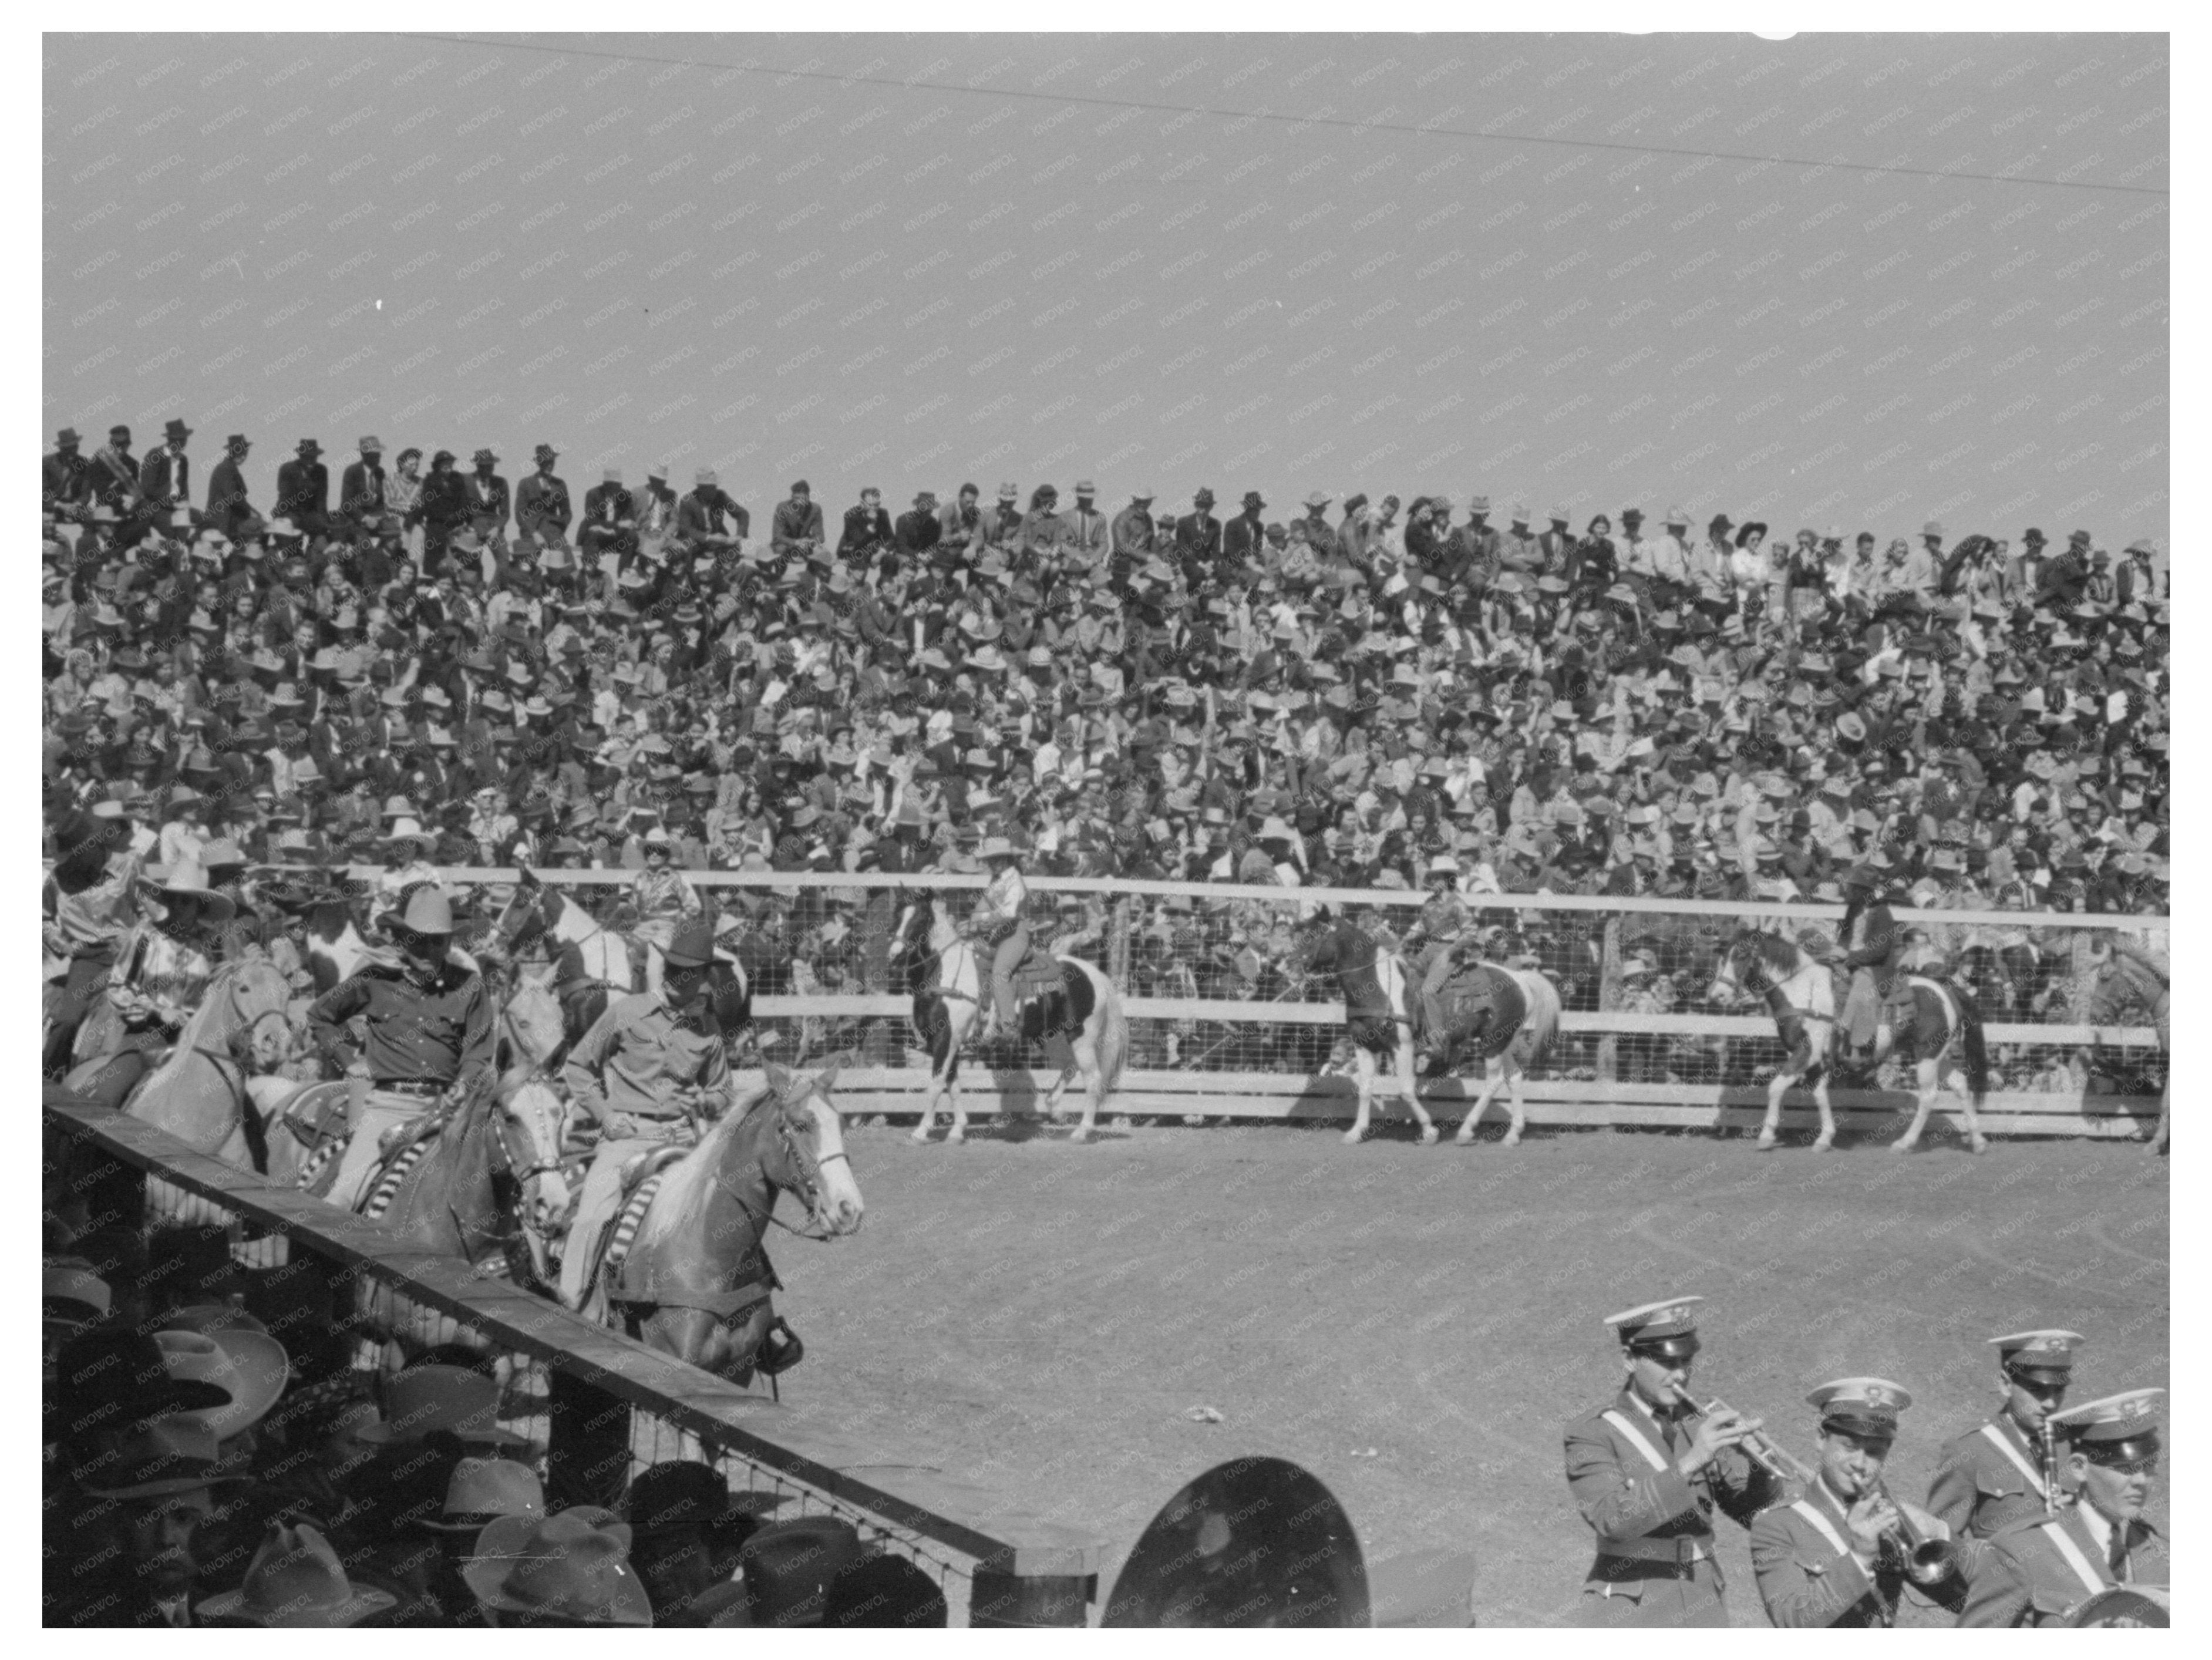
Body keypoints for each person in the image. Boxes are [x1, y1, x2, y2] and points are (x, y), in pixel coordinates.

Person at [1563, 1295, 1780, 1626]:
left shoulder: (1699, 1422)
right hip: (1632, 1603)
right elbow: (1612, 1520)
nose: (1680, 1375)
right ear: (1629, 1360)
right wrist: (1690, 1463)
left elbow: (1752, 1515)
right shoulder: (1594, 1431)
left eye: (1686, 1360)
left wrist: (1759, 1468)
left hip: (1701, 1598)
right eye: (1667, 1362)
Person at [557, 914, 736, 1310]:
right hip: (628, 1137)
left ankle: (735, 1305)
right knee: (591, 1218)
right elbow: (578, 1066)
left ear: (703, 976)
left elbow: (722, 1089)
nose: (674, 976)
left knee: (728, 1211)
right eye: (670, 966)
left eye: (686, 971)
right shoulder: (626, 1011)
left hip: (684, 1139)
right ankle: (571, 1312)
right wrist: (605, 1115)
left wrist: (708, 1102)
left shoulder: (707, 1028)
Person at [306, 884, 496, 1214]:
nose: (428, 950)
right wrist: (348, 1061)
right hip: (388, 1108)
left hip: (449, 1112)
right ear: (402, 939)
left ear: (449, 943)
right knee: (342, 1199)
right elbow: (320, 1016)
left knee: (495, 1184)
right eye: (418, 939)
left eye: (437, 941)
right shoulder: (375, 980)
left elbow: (477, 1052)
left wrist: (463, 1084)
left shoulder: (470, 986)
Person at [1749, 1377, 1969, 1627]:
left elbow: (1965, 1600)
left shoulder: (1888, 1521)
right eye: (1849, 1446)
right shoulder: (1777, 1524)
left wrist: (1940, 1533)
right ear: (1821, 1439)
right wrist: (1860, 1557)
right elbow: (1792, 1620)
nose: (1860, 1463)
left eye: (1874, 1452)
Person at [1956, 1388, 2166, 1626]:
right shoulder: (2021, 1551)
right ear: (2079, 1468)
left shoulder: (2163, 1553)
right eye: (2125, 1468)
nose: (2141, 1481)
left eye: (2149, 1466)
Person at [75, 854, 236, 1106]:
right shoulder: (146, 936)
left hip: (200, 1040)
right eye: (174, 899)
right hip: (148, 1035)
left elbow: (223, 989)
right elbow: (119, 986)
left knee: (239, 1102)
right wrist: (159, 1011)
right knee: (106, 1096)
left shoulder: (212, 944)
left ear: (200, 907)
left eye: (187, 901)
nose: (179, 906)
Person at [1927, 1329, 2085, 1539]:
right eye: (2037, 1389)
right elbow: (1940, 1541)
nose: (2050, 1403)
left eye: (2059, 1390)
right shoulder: (1969, 1450)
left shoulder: (2075, 1444)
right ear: (2006, 1385)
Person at [1399, 854, 1477, 1072]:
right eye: (1432, 878)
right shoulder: (1430, 903)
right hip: (1428, 949)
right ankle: (1413, 1032)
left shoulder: (1457, 903)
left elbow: (1471, 931)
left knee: (1429, 990)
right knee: (1406, 978)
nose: (1432, 881)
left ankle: (1437, 1041)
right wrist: (1405, 939)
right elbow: (1422, 926)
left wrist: (1451, 950)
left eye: (1437, 878)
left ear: (1448, 879)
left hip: (1448, 950)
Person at [1836, 863, 1911, 1064]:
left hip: (1872, 968)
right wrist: (1837, 955)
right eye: (1851, 888)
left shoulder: (1882, 913)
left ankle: (1856, 1046)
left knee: (1862, 990)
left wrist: (1850, 957)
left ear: (1865, 891)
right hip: (1848, 963)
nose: (1850, 891)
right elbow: (1843, 939)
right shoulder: (1852, 911)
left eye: (1854, 888)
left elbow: (1879, 951)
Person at [627, 826, 703, 995]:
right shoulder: (640, 878)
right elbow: (634, 906)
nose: (654, 854)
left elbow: (694, 907)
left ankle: (656, 1002)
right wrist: (627, 913)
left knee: (654, 966)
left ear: (666, 854)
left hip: (667, 929)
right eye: (650, 851)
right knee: (625, 956)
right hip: (642, 928)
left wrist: (678, 920)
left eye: (659, 851)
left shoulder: (676, 878)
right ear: (645, 854)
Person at [970, 834, 1032, 1043]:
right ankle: (981, 1017)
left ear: (1006, 859)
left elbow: (1009, 913)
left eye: (995, 859)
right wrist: (972, 922)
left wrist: (984, 920)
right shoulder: (996, 880)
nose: (991, 863)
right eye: (990, 859)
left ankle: (1009, 1026)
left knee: (1000, 972)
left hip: (1015, 933)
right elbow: (984, 904)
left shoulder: (1015, 879)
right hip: (997, 933)